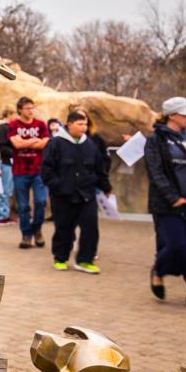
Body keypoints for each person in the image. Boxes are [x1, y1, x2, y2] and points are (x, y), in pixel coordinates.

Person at [41, 111, 111, 273]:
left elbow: (99, 168)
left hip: (87, 194)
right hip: (63, 195)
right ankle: (60, 257)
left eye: (85, 124)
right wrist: (57, 186)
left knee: (90, 227)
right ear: (69, 124)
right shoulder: (56, 143)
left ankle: (85, 260)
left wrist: (105, 186)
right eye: (79, 124)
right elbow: (46, 170)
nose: (83, 127)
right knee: (64, 228)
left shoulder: (90, 145)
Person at [144, 96, 186, 306]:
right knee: (177, 245)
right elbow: (155, 172)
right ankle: (159, 269)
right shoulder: (156, 140)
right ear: (173, 115)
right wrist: (173, 197)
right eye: (185, 114)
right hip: (168, 204)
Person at [9, 96, 50, 249]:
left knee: (40, 202)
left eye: (32, 108)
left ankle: (37, 229)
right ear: (20, 110)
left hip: (38, 170)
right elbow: (16, 144)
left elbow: (43, 144)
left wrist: (26, 141)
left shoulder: (41, 124)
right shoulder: (13, 125)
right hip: (20, 171)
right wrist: (34, 140)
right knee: (23, 205)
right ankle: (26, 235)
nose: (31, 111)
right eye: (28, 108)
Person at [0, 106, 15, 225]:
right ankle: (0, 216)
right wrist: (15, 152)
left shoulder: (8, 127)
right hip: (4, 162)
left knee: (7, 190)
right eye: (14, 114)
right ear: (9, 114)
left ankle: (4, 214)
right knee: (3, 190)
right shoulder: (2, 127)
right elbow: (0, 146)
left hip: (8, 163)